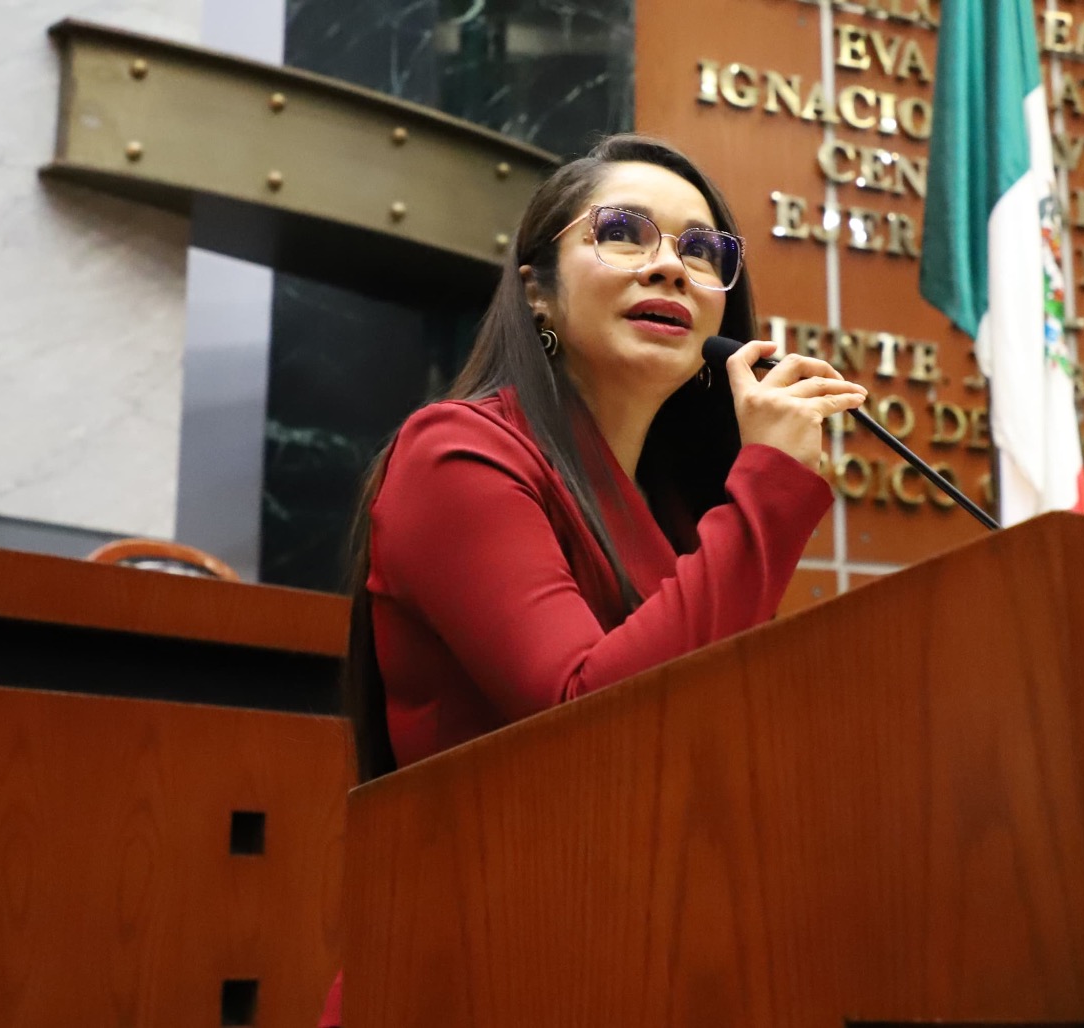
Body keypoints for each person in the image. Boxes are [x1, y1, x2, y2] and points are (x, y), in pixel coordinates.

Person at [318, 134, 866, 1026]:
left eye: (702, 250)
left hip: (640, 959)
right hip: (471, 972)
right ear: (536, 288)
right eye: (622, 232)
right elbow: (583, 717)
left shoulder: (680, 514)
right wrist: (770, 490)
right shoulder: (455, 452)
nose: (672, 266)